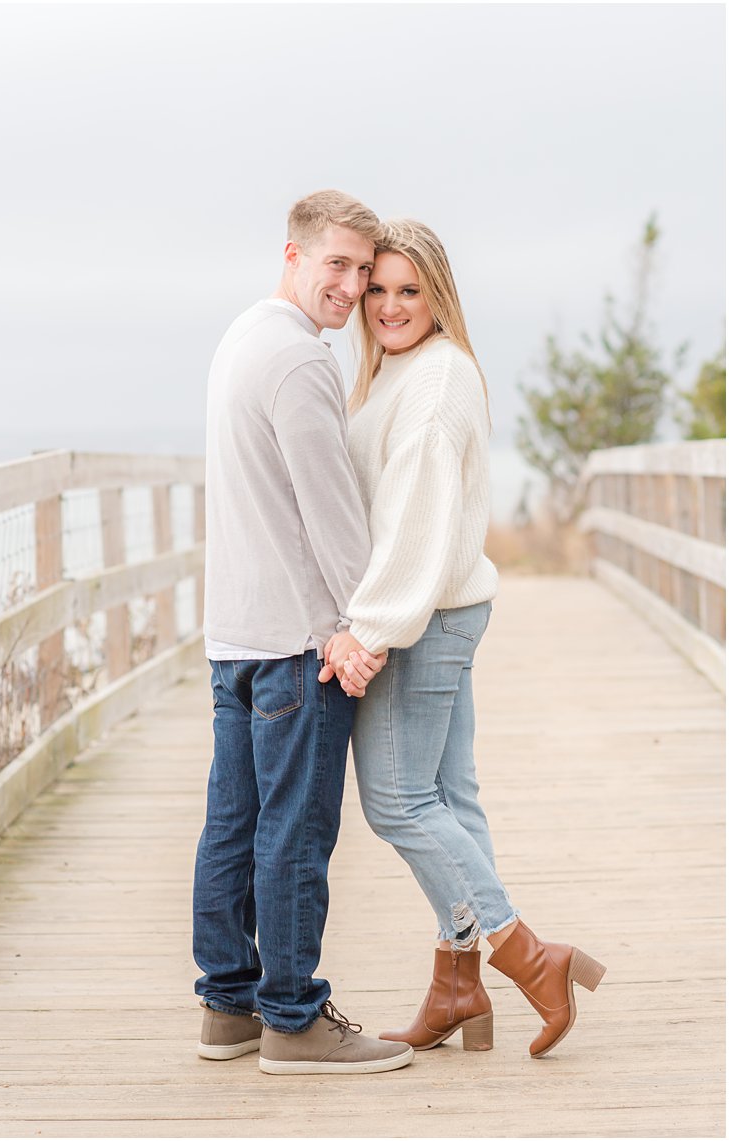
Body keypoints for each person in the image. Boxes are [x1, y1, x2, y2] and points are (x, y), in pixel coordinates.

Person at [321, 219, 605, 1058]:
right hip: (442, 609)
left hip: (425, 617)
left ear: (439, 296)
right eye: (378, 289)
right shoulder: (397, 373)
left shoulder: (438, 381)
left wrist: (369, 630)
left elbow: (417, 520)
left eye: (410, 290)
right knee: (449, 798)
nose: (389, 306)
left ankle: (527, 955)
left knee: (400, 802)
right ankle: (458, 988)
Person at [193, 190, 412, 1076]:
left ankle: (228, 1006)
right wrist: (362, 626)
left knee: (233, 824)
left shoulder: (243, 336)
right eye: (338, 264)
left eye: (365, 271)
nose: (353, 286)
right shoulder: (299, 363)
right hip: (293, 642)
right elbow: (329, 510)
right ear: (294, 255)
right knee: (294, 832)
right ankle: (292, 1018)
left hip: (235, 633)